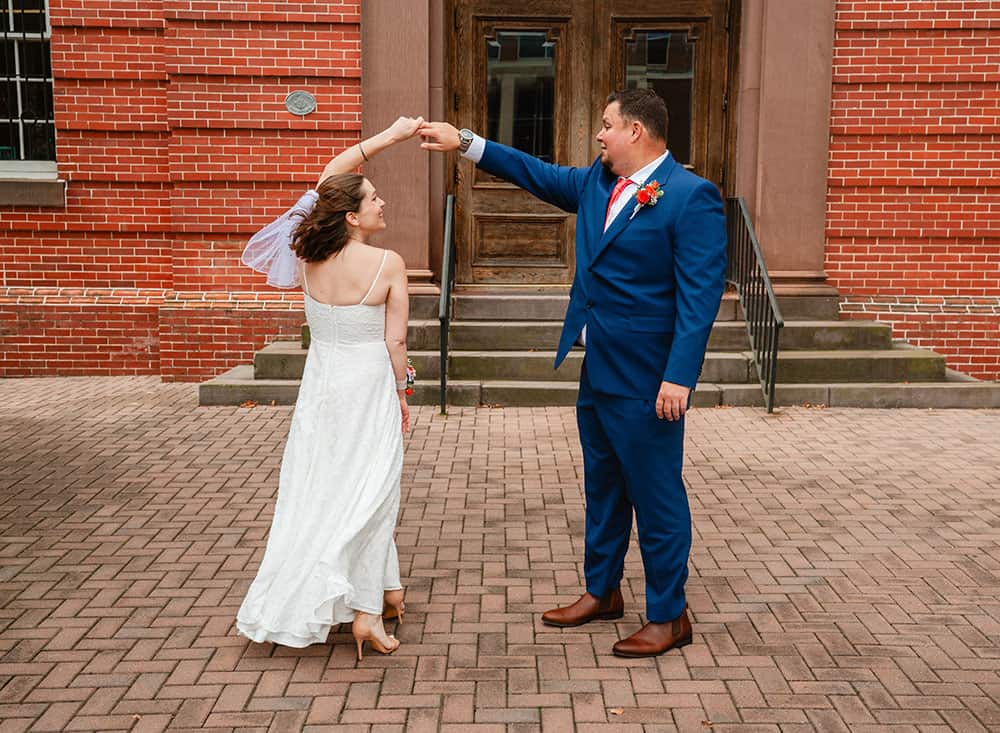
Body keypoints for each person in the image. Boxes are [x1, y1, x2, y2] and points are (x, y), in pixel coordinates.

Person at [420, 89, 726, 657]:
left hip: (650, 379)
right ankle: (602, 592)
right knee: (603, 488)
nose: (599, 136)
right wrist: (463, 142)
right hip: (599, 370)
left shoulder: (690, 197)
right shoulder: (595, 183)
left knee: (657, 499)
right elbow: (531, 171)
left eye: (606, 126)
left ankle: (669, 615)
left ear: (635, 131)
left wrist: (679, 377)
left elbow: (700, 296)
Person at [236, 116, 424, 660]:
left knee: (323, 487)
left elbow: (332, 174)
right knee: (372, 491)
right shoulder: (388, 263)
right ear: (351, 216)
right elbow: (395, 345)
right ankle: (365, 611)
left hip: (321, 386)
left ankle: (386, 591)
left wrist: (389, 137)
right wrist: (403, 392)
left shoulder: (309, 256)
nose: (382, 202)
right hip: (367, 384)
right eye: (373, 198)